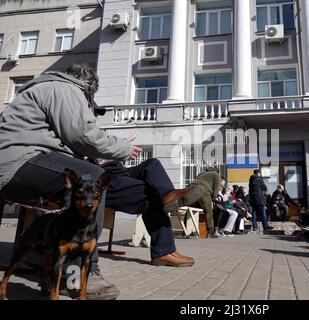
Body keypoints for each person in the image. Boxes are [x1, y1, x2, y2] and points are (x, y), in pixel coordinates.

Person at [0, 64, 203, 300]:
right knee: (92, 175)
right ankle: (76, 277)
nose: (90, 110)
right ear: (87, 87)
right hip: (19, 161)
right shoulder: (61, 88)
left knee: (150, 192)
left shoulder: (64, 92)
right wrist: (121, 148)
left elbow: (80, 139)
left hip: (66, 164)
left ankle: (164, 247)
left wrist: (106, 152)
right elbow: (82, 135)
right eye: (91, 103)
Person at [189, 167, 222, 238]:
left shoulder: (201, 173)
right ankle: (210, 232)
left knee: (189, 209)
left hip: (190, 188)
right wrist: (213, 199)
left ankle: (187, 231)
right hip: (203, 190)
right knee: (208, 211)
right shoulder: (216, 175)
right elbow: (216, 188)